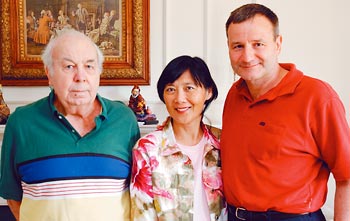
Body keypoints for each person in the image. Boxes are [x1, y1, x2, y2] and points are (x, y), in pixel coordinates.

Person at [221, 3, 350, 221]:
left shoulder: (317, 96)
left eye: (258, 44)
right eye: (238, 46)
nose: (247, 56)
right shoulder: (234, 94)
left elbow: (346, 175)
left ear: (278, 44)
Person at [0, 29, 140, 221]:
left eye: (89, 66)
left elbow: (139, 192)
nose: (80, 77)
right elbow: (13, 198)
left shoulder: (124, 120)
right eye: (69, 66)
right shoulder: (21, 123)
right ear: (49, 73)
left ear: (99, 72)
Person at [130, 55, 227, 221]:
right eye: (170, 89)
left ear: (208, 92)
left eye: (189, 88)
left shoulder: (223, 142)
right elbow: (141, 213)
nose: (179, 99)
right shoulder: (148, 148)